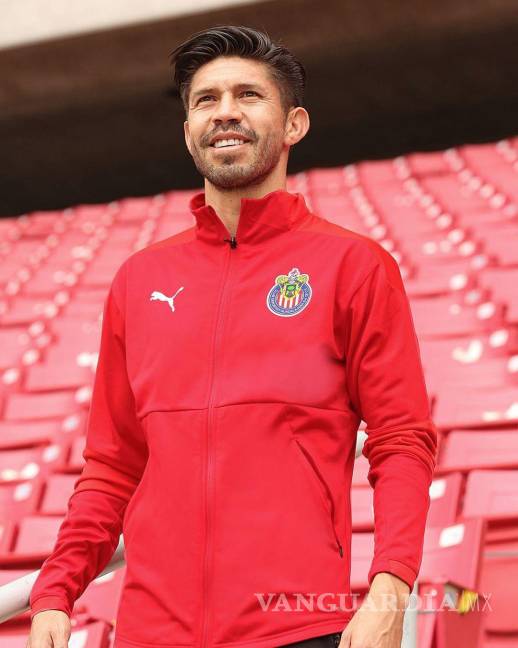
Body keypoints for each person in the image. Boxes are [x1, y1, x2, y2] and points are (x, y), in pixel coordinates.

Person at [28, 25, 438, 648]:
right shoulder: (140, 280)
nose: (224, 112)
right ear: (188, 129)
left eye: (248, 95)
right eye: (206, 100)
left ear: (294, 124)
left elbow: (401, 439)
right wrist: (56, 591)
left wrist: (391, 590)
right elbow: (113, 465)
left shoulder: (353, 266)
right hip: (149, 634)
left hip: (296, 626)